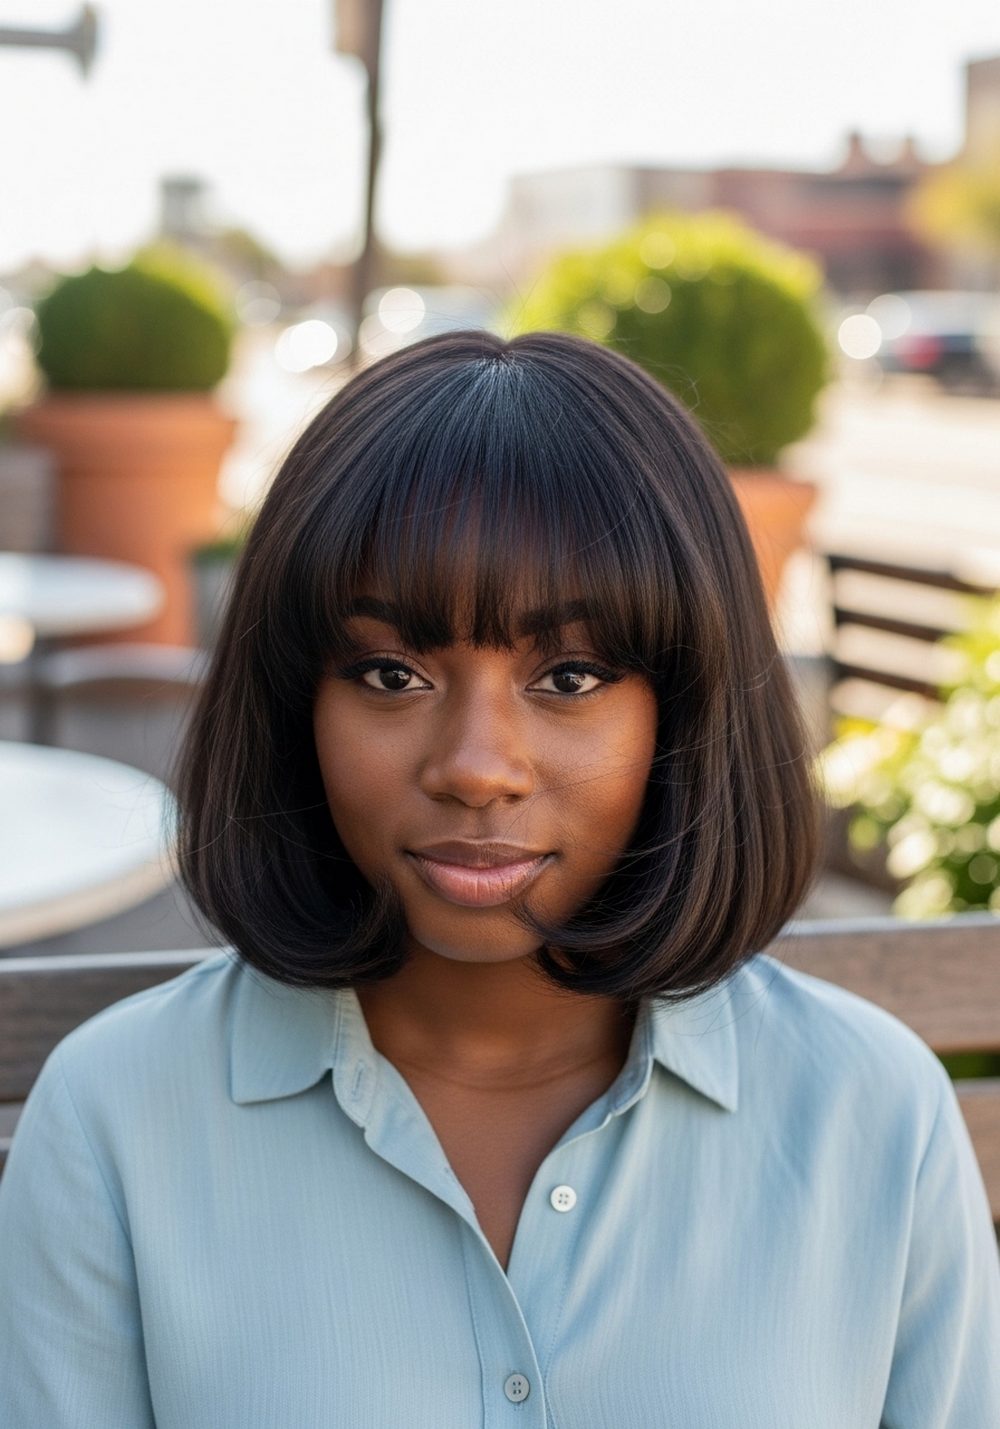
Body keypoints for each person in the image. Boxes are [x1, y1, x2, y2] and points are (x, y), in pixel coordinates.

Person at [0, 329, 997, 1427]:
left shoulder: (870, 1117)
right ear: (297, 706)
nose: (475, 766)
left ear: (684, 707)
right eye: (391, 673)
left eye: (569, 676)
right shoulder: (115, 1123)